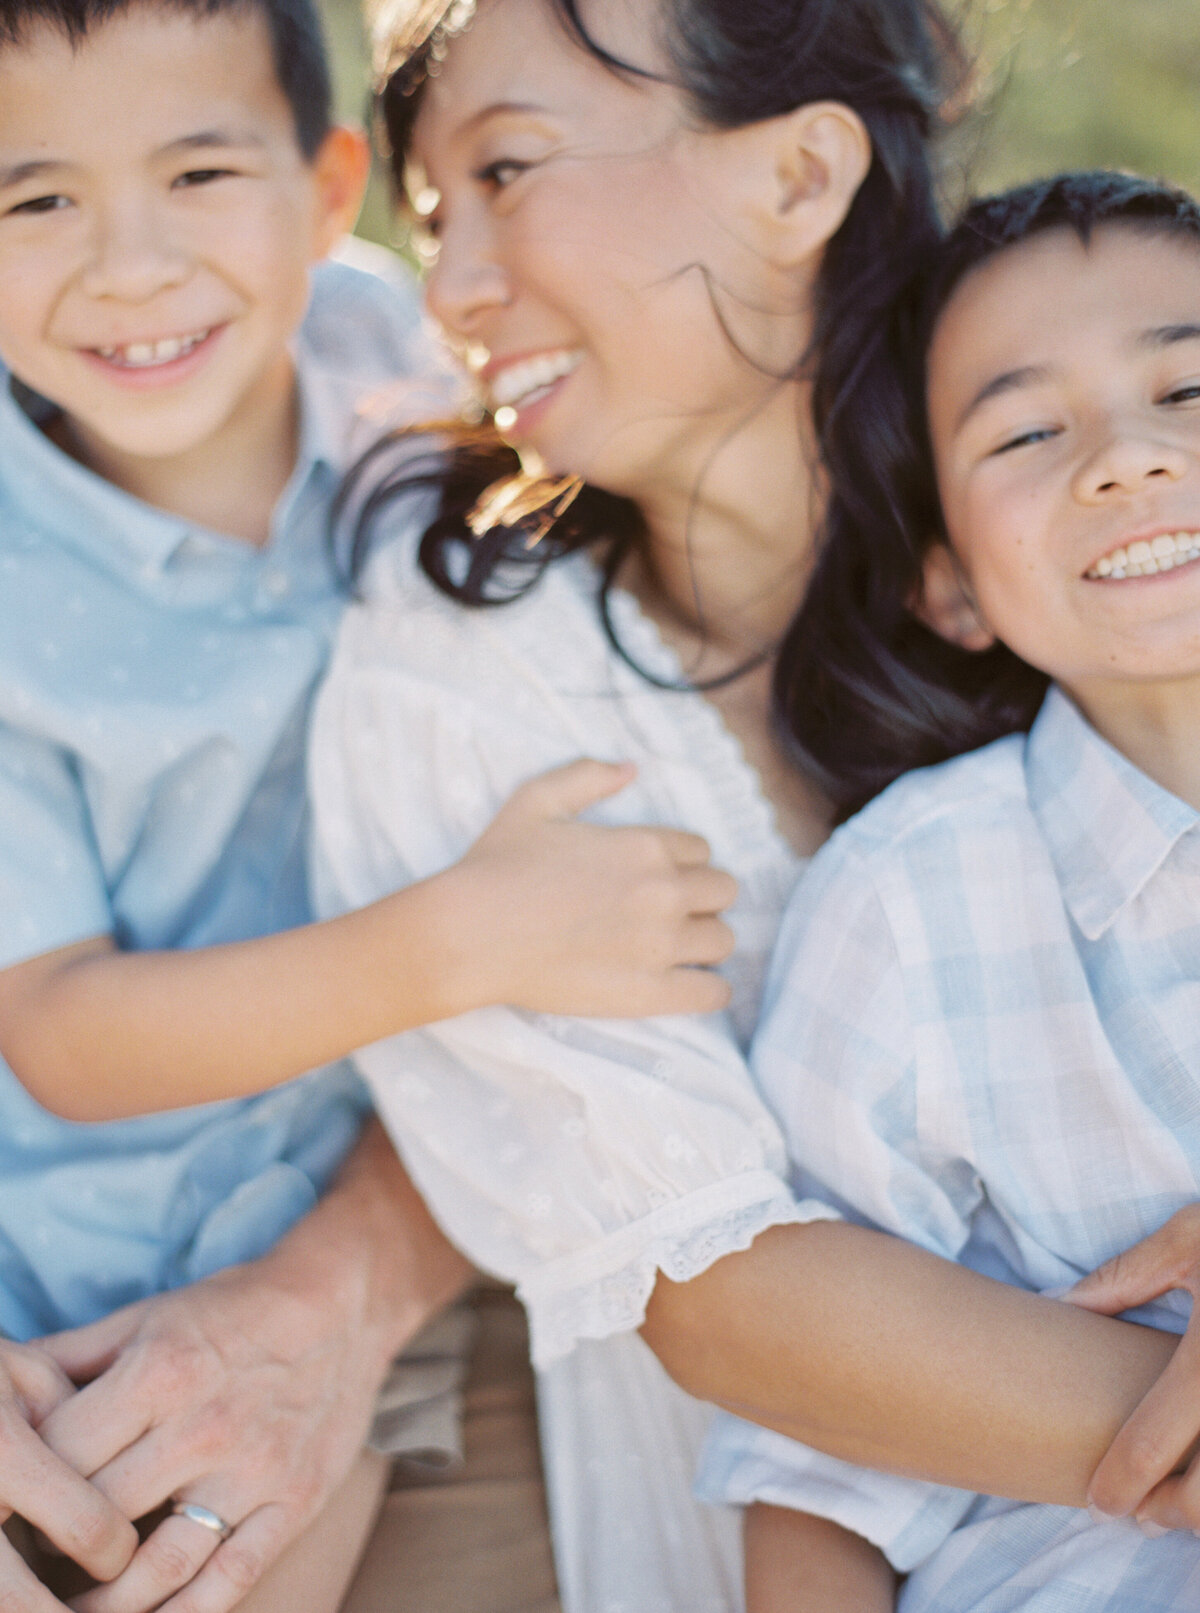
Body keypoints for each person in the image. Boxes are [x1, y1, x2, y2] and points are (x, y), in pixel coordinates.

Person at [310, 3, 1200, 1610]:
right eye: (432, 219)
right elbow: (718, 1289)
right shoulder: (460, 688)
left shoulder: (1074, 472)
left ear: (799, 174)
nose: (445, 287)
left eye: (509, 171)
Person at [0, 0, 740, 1607]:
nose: (126, 264)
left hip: (361, 1228)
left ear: (330, 186)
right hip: (70, 1275)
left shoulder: (397, 356)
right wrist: (470, 936)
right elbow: (62, 1029)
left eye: (198, 173)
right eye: (34, 198)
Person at [698, 168, 1200, 1612]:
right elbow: (811, 1449)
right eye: (1032, 431)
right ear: (950, 583)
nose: (1126, 458)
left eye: (1188, 389)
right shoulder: (916, 901)